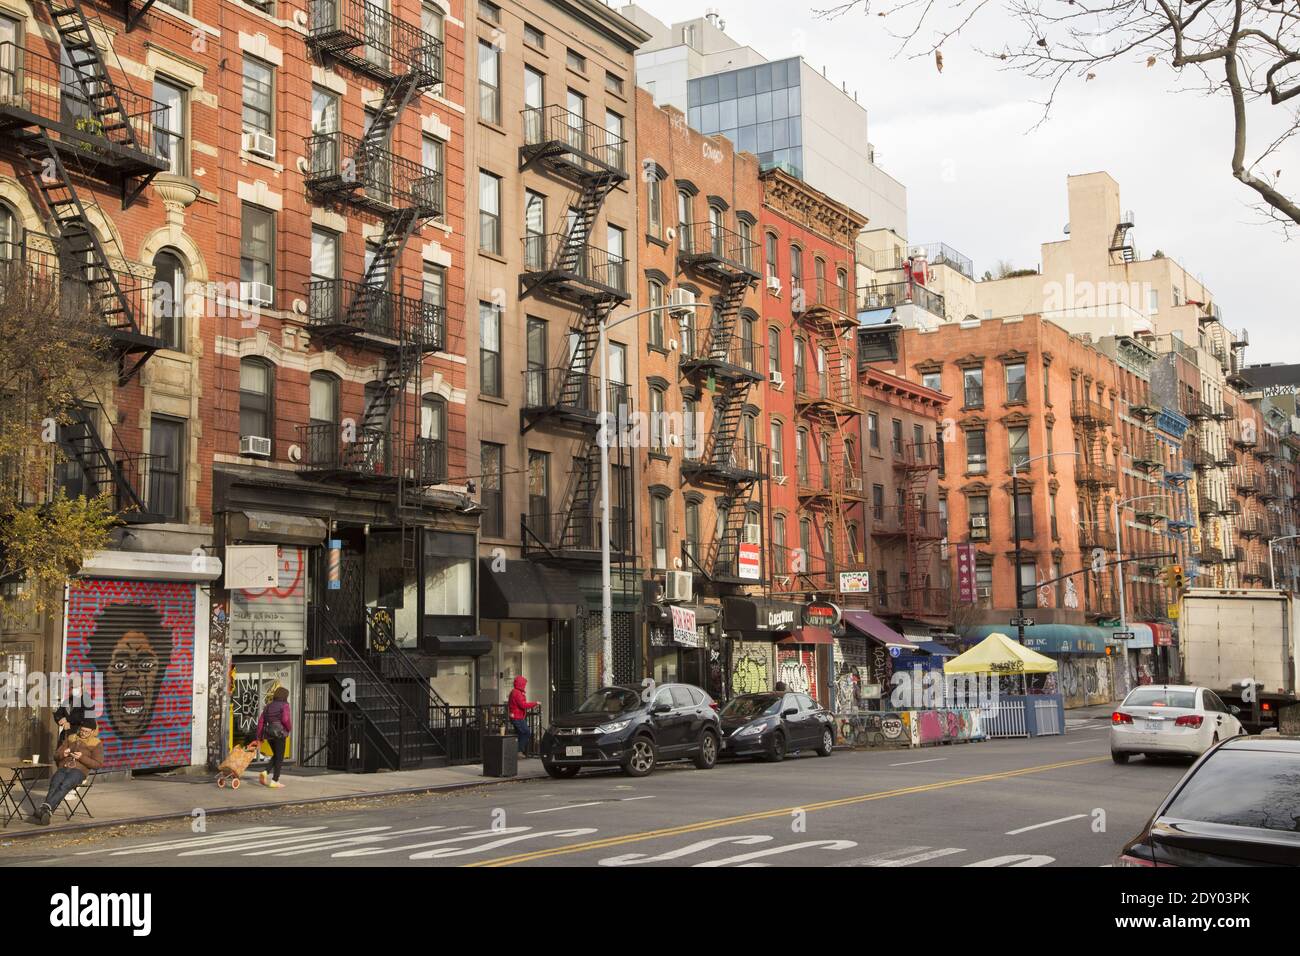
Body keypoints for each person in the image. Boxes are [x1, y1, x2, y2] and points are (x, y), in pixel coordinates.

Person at [30, 719, 103, 826]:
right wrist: (63, 754)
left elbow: (98, 764)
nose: (83, 733)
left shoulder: (96, 743)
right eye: (82, 730)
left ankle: (44, 808)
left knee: (65, 785)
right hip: (64, 768)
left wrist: (81, 757)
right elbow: (56, 755)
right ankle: (46, 813)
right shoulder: (71, 738)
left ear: (92, 731)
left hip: (79, 771)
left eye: (86, 732)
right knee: (54, 783)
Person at [256, 687, 292, 788]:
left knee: (276, 755)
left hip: (269, 734)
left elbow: (261, 721)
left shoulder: (268, 706)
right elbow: (285, 719)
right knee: (279, 757)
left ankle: (265, 772)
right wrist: (289, 728)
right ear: (285, 696)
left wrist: (259, 736)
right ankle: (275, 780)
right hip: (280, 733)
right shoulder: (285, 705)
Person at [507, 676, 540, 757]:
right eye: (524, 684)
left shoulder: (515, 692)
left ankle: (516, 751)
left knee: (520, 734)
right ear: (521, 684)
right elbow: (523, 704)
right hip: (517, 717)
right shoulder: (517, 693)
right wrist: (535, 703)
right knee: (526, 733)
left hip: (516, 716)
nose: (525, 686)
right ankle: (518, 751)